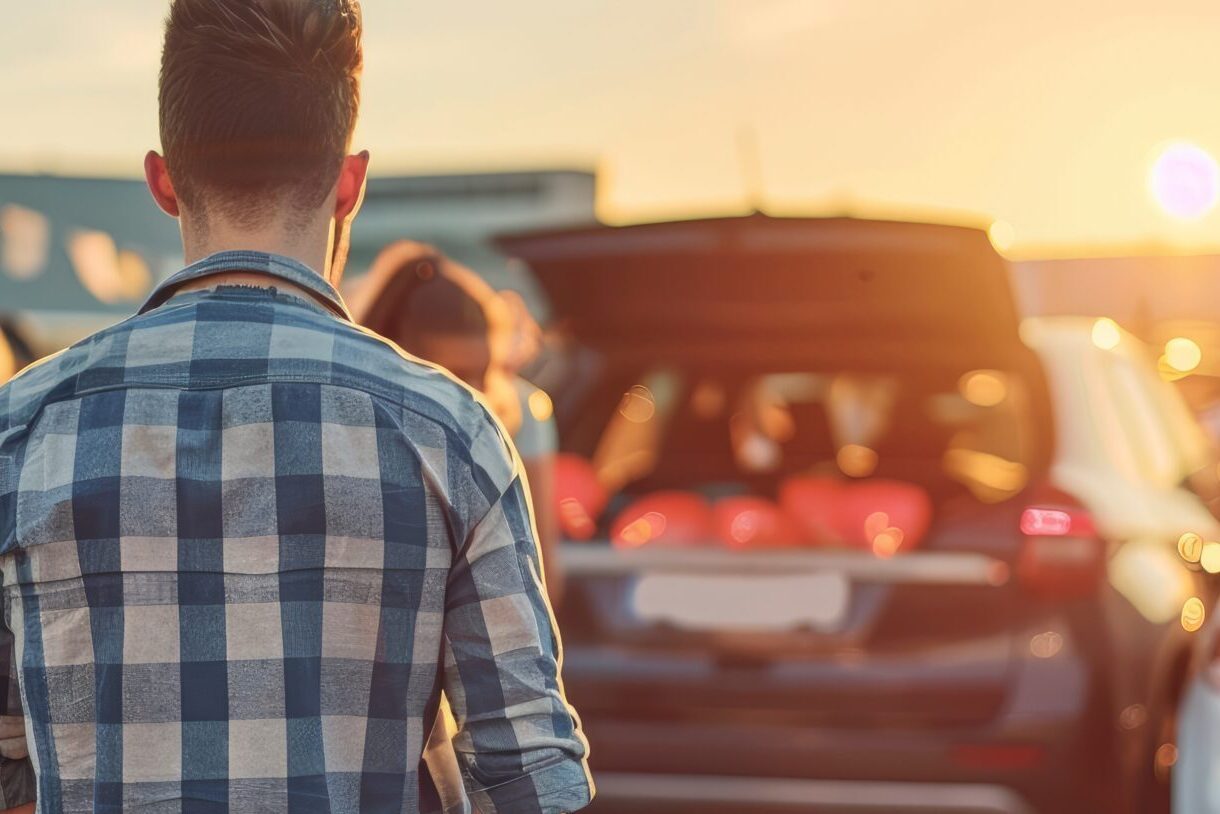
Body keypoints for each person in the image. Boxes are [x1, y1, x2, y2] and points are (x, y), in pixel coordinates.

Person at [0, 2, 592, 812]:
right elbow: (529, 778)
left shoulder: (20, 433)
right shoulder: (452, 436)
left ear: (164, 182)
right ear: (349, 185)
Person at [351, 243, 565, 604]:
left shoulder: (521, 412)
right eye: (456, 380)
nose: (475, 398)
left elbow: (541, 584)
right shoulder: (356, 422)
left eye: (483, 374)